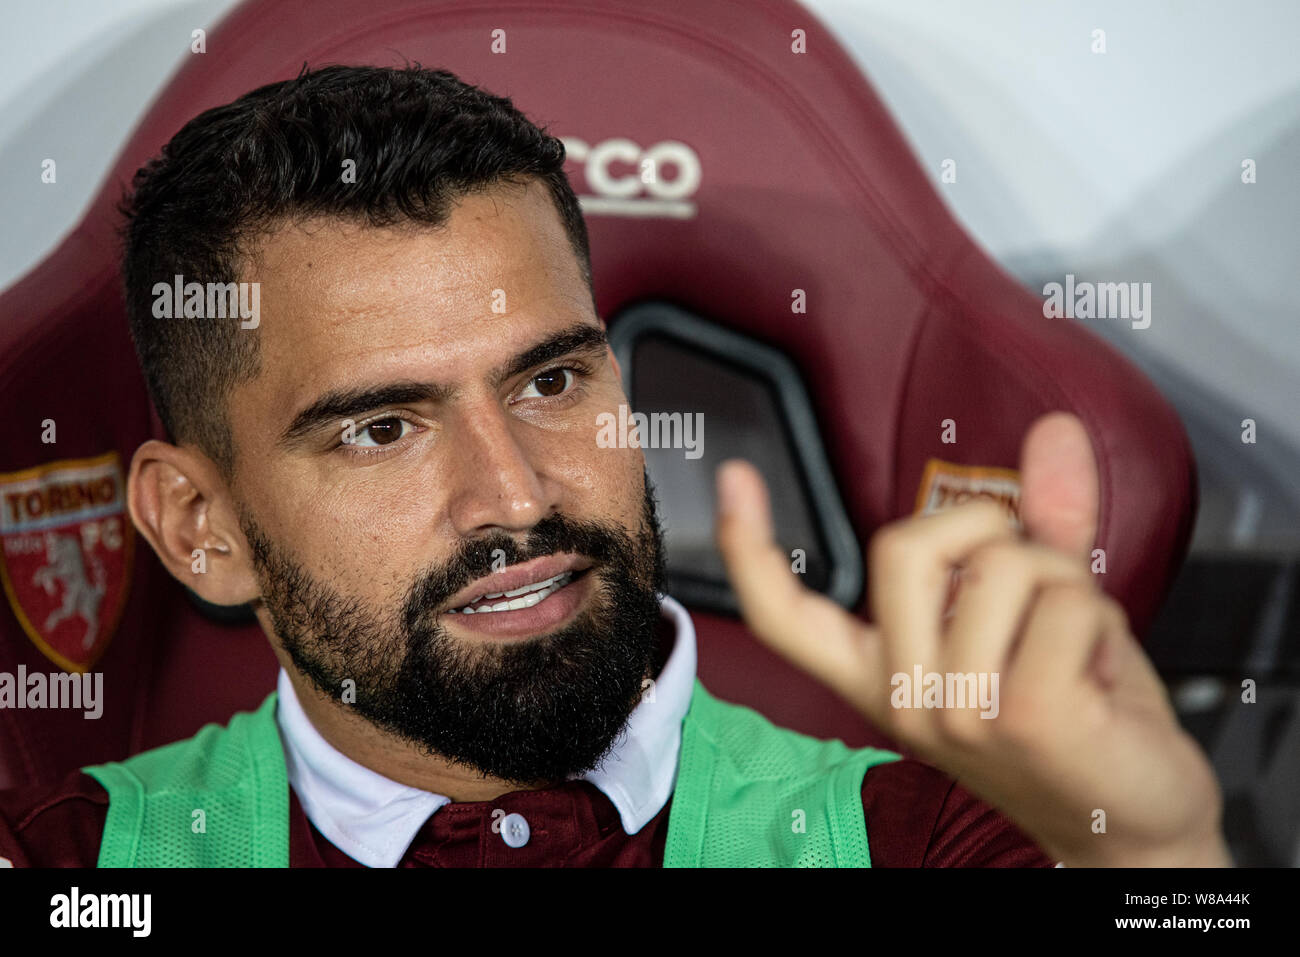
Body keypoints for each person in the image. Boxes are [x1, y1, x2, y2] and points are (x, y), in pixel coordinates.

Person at [0, 65, 1228, 867]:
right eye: (382, 428)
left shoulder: (921, 837)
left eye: (550, 381)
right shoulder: (75, 867)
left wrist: (1159, 856)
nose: (519, 495)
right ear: (197, 524)